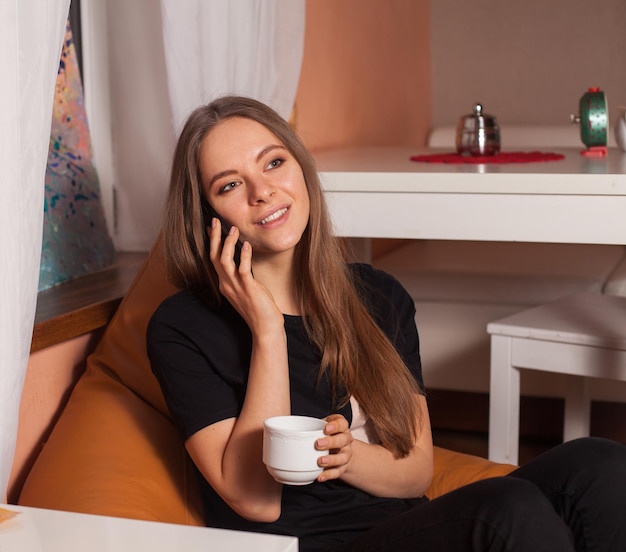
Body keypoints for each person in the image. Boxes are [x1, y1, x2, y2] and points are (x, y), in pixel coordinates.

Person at [147, 95, 626, 552]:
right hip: (313, 545)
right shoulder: (184, 328)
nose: (262, 191)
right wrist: (268, 330)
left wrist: (349, 458)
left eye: (274, 162)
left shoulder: (378, 296)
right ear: (206, 214)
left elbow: (417, 471)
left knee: (599, 464)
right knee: (507, 509)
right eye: (229, 185)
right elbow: (256, 500)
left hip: (408, 530)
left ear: (301, 169)